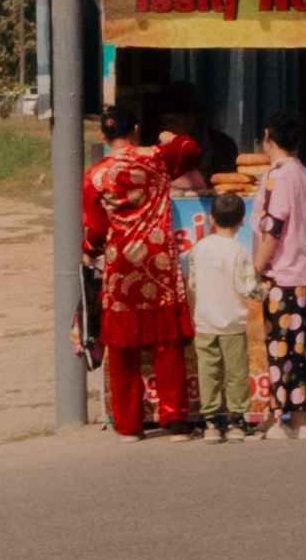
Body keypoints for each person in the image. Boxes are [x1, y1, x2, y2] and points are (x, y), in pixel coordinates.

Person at [82, 105, 198, 436]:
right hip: (158, 265)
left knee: (122, 350)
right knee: (166, 344)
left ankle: (129, 425)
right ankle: (175, 418)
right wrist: (171, 136)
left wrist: (91, 253)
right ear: (135, 129)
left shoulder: (96, 176)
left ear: (103, 136)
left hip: (121, 270)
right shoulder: (157, 158)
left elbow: (94, 230)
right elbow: (192, 150)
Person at [250, 118, 306, 440]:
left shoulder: (278, 176)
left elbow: (273, 226)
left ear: (267, 136)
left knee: (279, 350)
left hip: (282, 274)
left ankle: (278, 421)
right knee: (300, 348)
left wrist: (256, 268)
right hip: (305, 274)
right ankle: (302, 421)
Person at [189, 190, 257, 442]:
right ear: (242, 220)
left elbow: (193, 283)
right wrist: (265, 290)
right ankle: (237, 422)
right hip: (232, 324)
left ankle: (211, 423)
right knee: (236, 372)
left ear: (211, 219)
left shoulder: (200, 248)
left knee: (209, 371)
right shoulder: (240, 252)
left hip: (205, 322)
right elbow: (247, 288)